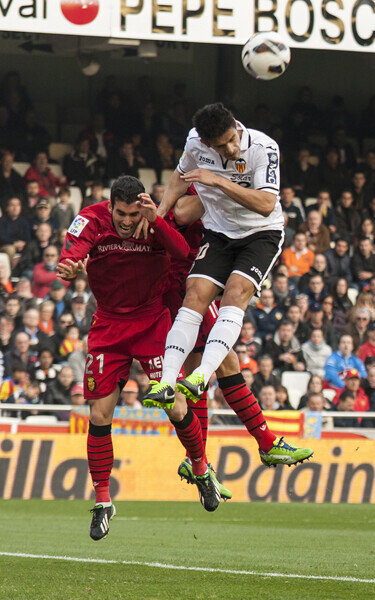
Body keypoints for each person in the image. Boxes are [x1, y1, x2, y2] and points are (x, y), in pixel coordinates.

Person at [57, 175, 227, 539]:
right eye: (121, 213)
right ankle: (103, 501)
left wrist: (158, 219)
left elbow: (184, 253)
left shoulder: (153, 223)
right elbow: (73, 250)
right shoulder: (92, 219)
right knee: (100, 414)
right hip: (108, 327)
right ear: (111, 206)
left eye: (134, 214)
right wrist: (70, 265)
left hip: (152, 323)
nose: (128, 221)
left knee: (175, 406)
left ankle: (200, 467)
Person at [144, 102, 312, 464]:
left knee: (235, 295)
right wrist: (159, 214)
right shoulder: (195, 143)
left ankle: (201, 381)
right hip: (219, 235)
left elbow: (267, 204)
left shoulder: (263, 148)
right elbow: (179, 176)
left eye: (232, 140)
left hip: (259, 235)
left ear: (237, 126)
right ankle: (168, 382)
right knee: (196, 295)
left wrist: (216, 180)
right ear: (205, 142)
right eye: (220, 147)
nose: (230, 150)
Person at [0, 196, 31, 262]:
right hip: (5, 246)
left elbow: (28, 237)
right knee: (10, 249)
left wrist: (23, 243)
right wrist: (14, 243)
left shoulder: (24, 221)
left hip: (21, 246)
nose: (15, 208)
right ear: (7, 208)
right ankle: (9, 271)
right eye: (12, 205)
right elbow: (2, 238)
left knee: (30, 247)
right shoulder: (2, 221)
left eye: (17, 205)